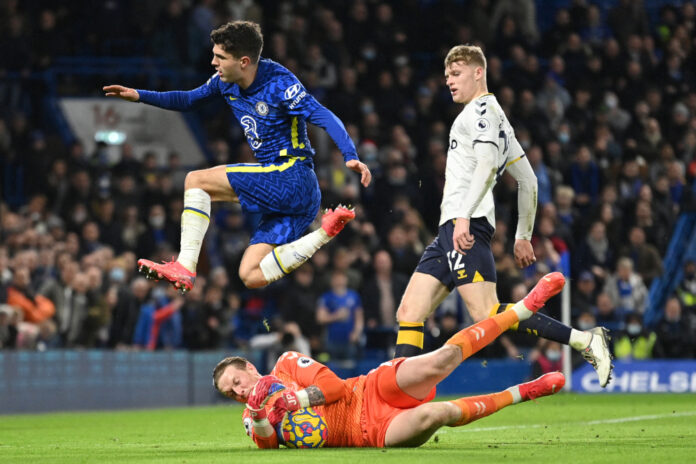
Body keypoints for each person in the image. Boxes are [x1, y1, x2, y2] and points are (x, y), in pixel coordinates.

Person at [393, 44, 613, 387]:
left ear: (478, 72)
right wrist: (523, 235)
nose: (449, 81)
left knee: (486, 313)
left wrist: (464, 217)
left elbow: (486, 166)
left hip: (464, 225)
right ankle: (398, 397)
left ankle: (585, 340)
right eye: (447, 75)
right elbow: (528, 180)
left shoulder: (481, 112)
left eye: (456, 73)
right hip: (450, 229)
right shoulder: (496, 119)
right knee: (410, 312)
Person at [103, 21, 371, 293]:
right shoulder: (224, 82)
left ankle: (185, 266)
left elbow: (322, 114)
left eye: (220, 57)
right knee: (251, 274)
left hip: (292, 176)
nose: (213, 62)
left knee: (196, 180)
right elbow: (188, 100)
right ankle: (325, 233)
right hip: (297, 195)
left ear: (243, 62)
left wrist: (350, 154)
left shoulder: (280, 84)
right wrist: (139, 95)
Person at [213, 272, 566, 449]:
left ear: (249, 368)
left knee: (442, 360)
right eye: (230, 393)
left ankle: (521, 309)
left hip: (369, 391)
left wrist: (295, 399)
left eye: (236, 382)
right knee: (437, 413)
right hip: (370, 433)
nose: (238, 392)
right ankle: (522, 392)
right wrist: (259, 413)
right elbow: (268, 446)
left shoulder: (287, 363)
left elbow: (334, 388)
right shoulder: (250, 417)